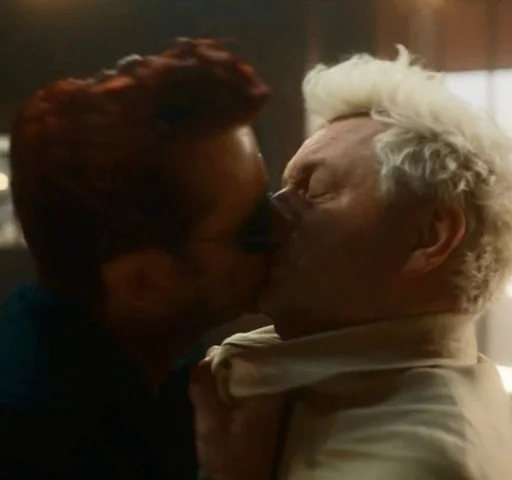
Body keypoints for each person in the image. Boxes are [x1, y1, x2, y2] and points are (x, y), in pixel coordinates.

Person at [191, 46, 512, 480]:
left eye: (313, 190)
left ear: (428, 237)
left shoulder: (412, 462)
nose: (267, 215)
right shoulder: (315, 369)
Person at [0, 38, 274, 479]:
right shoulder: (32, 438)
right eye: (254, 225)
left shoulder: (159, 357)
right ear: (145, 283)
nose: (285, 223)